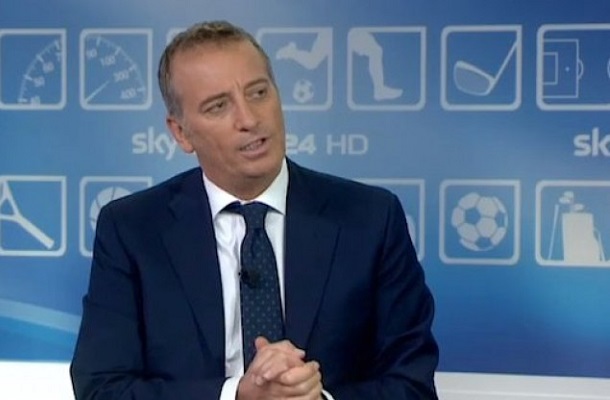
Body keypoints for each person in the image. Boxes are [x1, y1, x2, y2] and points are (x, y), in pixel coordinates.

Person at [70, 20, 439, 400]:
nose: (249, 119)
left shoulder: (370, 219)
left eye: (259, 93)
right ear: (180, 132)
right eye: (218, 106)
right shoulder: (133, 230)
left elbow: (412, 385)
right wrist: (236, 395)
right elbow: (102, 388)